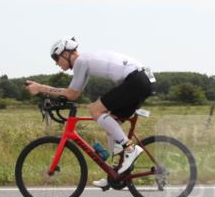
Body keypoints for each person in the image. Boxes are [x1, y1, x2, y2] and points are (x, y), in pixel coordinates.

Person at [25, 37, 155, 187]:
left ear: (65, 54)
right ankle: (115, 174)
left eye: (56, 58)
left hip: (136, 80)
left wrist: (40, 88)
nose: (56, 63)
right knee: (112, 125)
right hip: (142, 80)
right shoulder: (85, 61)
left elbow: (71, 94)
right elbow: (74, 93)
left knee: (94, 109)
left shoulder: (81, 61)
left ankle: (130, 148)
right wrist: (46, 91)